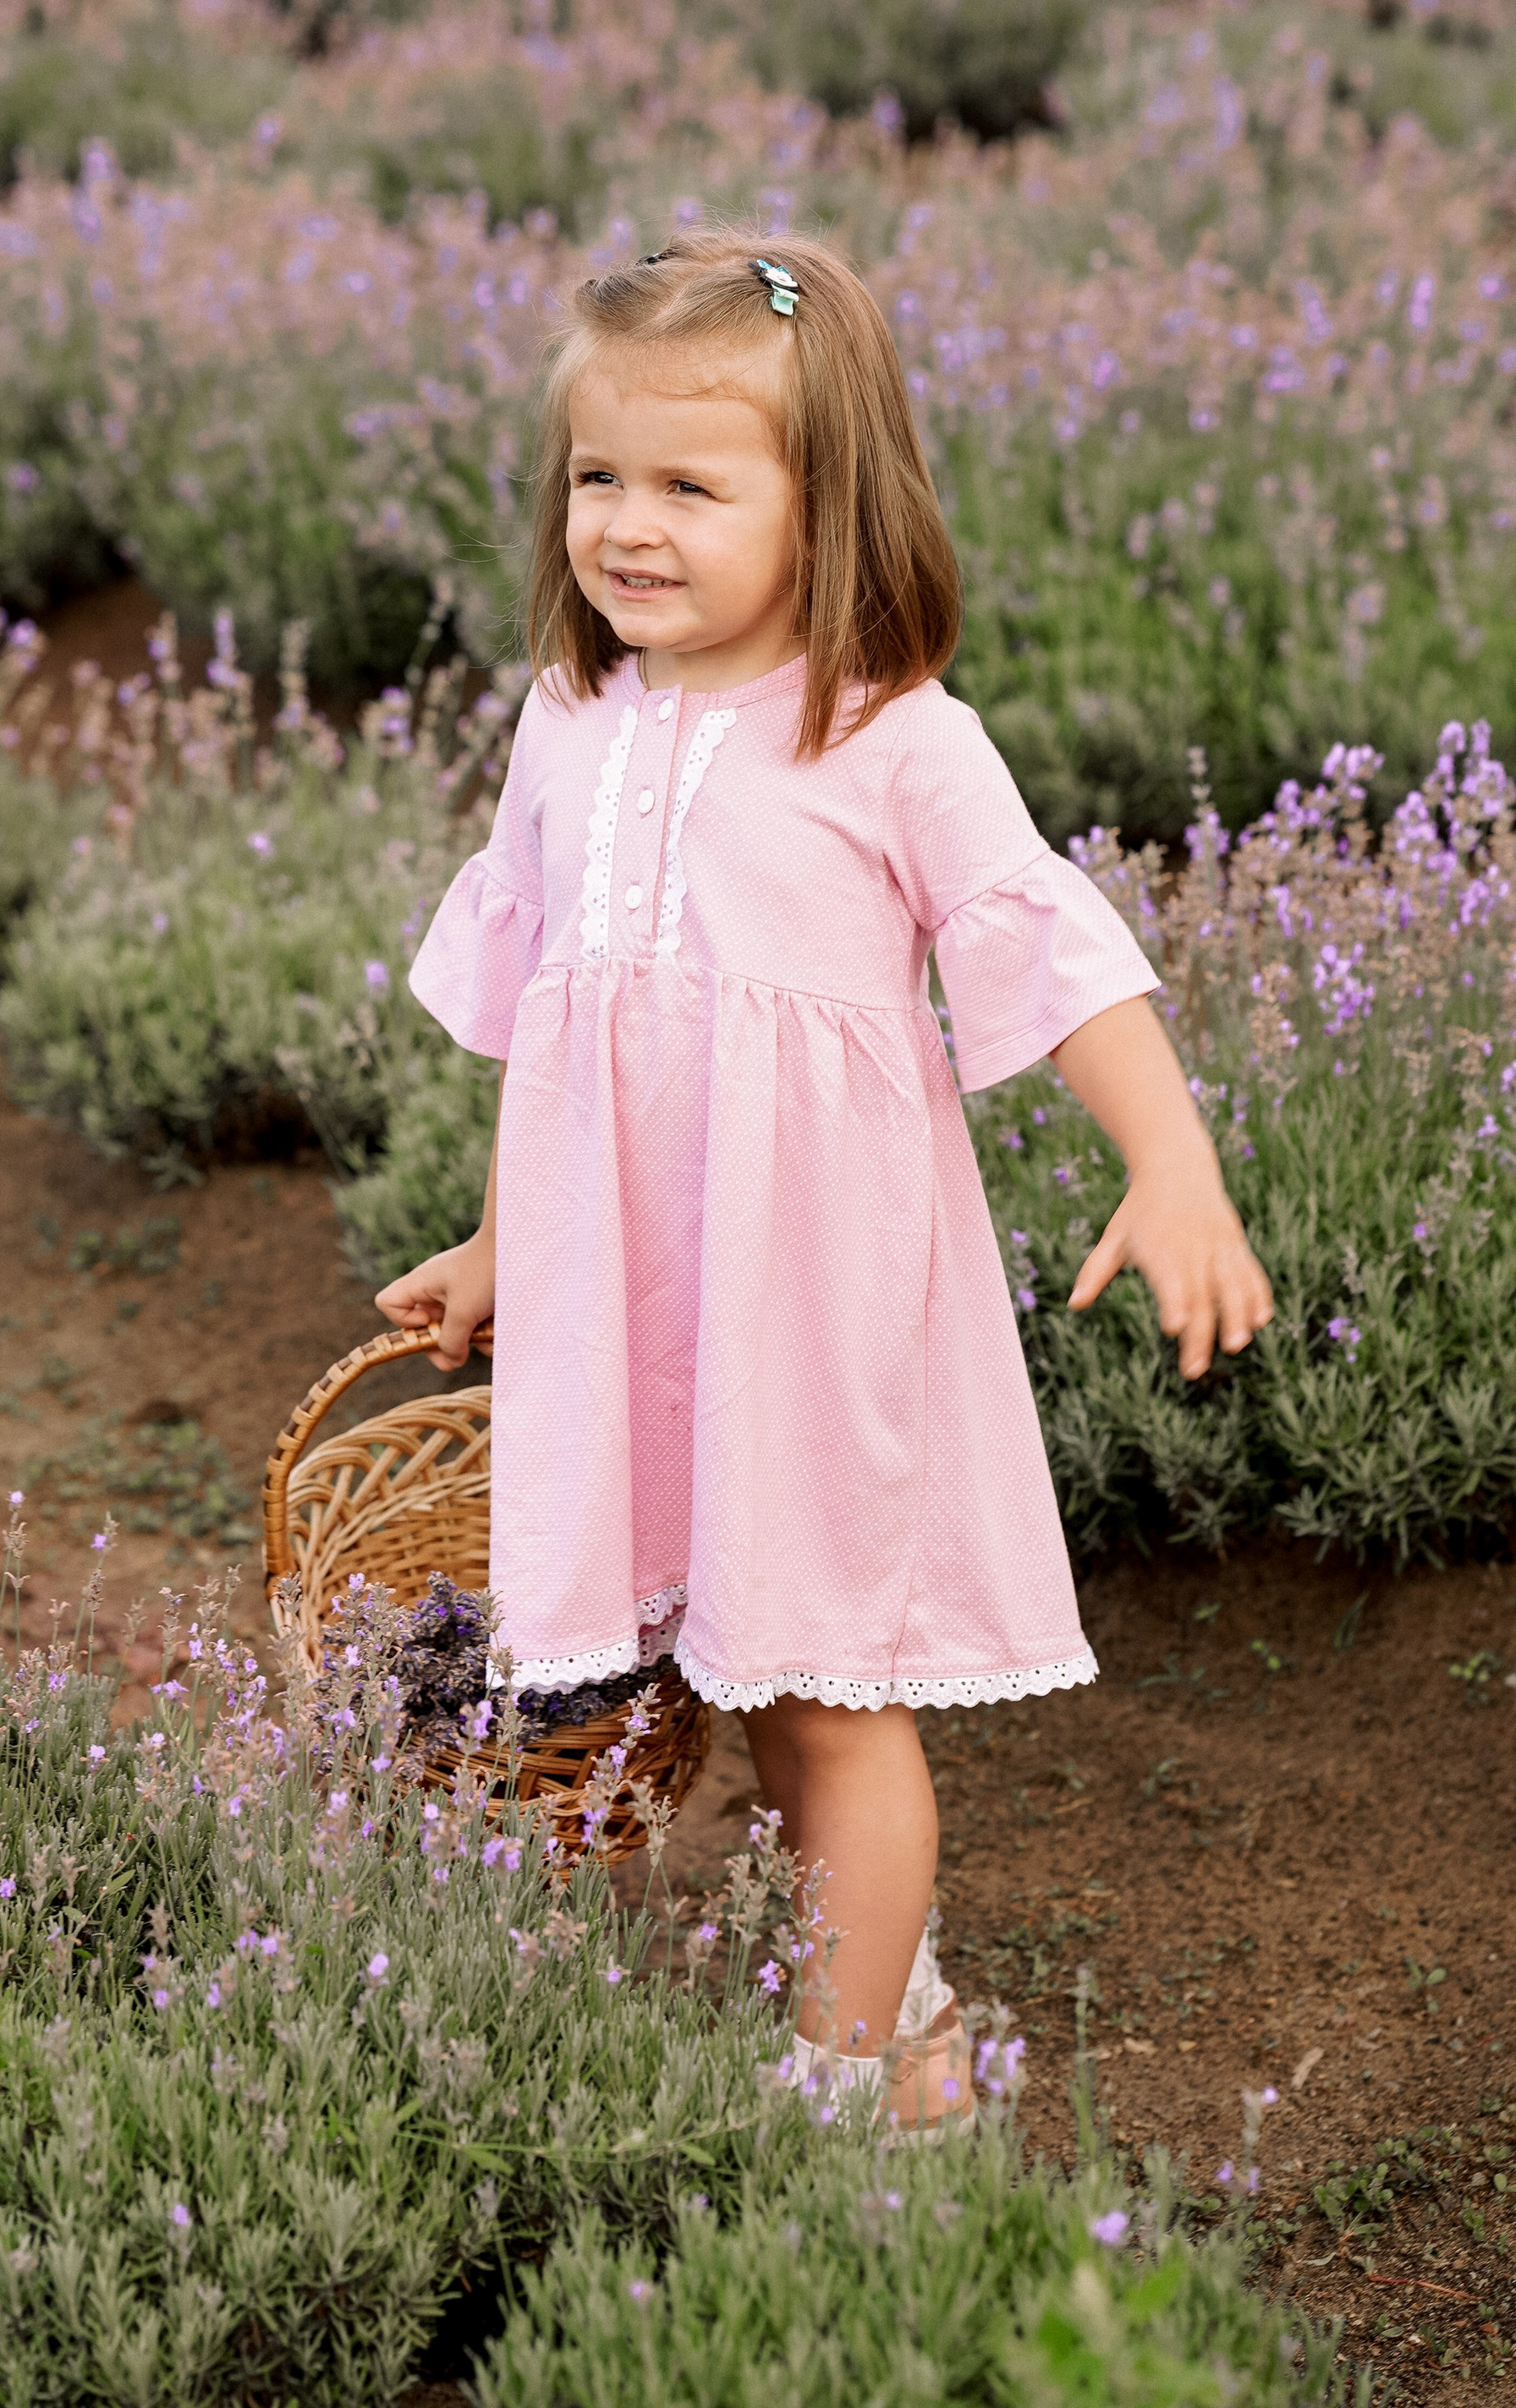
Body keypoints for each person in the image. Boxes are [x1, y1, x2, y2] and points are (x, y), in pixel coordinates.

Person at [376, 228, 1272, 2135]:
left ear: (827, 507)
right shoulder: (567, 724)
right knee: (692, 1669)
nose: (624, 523)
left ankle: (850, 2101)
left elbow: (1049, 940)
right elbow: (569, 1043)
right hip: (635, 1315)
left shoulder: (887, 740)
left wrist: (1169, 1158)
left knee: (824, 1694)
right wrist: (494, 1247)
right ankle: (904, 2014)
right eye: (596, 475)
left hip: (809, 1313)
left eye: (689, 485)